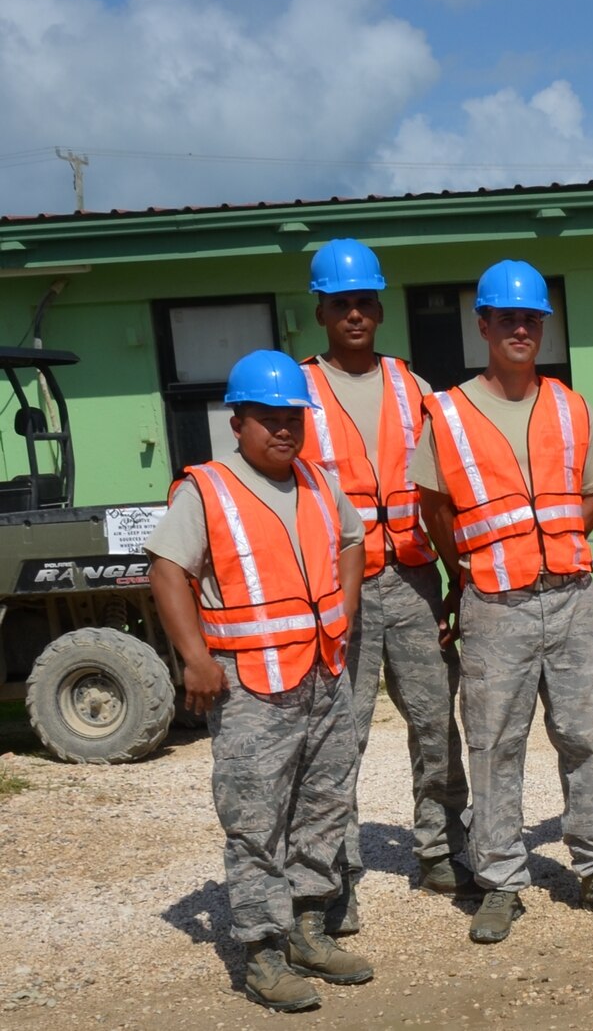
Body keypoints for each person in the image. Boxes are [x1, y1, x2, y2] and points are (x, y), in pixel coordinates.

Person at [411, 259, 593, 942]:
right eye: (507, 318)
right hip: (494, 603)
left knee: (581, 738)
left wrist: (553, 540)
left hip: (571, 594)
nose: (520, 329)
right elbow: (435, 508)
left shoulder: (572, 405)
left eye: (531, 319)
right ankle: (500, 880)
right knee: (493, 745)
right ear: (482, 325)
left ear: (543, 327)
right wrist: (477, 568)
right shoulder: (449, 414)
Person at [146, 351, 371, 1012]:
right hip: (251, 689)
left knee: (324, 809)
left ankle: (307, 929)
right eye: (269, 418)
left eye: (293, 418)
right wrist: (195, 658)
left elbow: (353, 542)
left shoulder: (318, 480)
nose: (284, 429)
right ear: (237, 421)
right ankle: (262, 952)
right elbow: (166, 570)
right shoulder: (206, 489)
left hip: (324, 675)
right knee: (256, 823)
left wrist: (347, 608)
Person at [296, 238, 475, 934]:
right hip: (337, 586)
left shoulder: (413, 387)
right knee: (339, 737)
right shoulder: (297, 391)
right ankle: (335, 878)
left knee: (435, 722)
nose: (355, 314)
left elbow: (445, 487)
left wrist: (458, 572)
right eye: (341, 303)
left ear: (379, 307)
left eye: (365, 301)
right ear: (320, 310)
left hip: (411, 577)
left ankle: (439, 850)